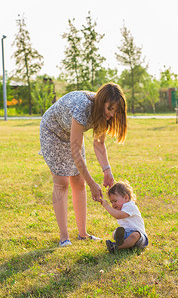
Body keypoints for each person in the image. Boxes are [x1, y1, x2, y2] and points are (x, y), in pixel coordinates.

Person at [39, 83, 128, 247]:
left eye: (116, 111)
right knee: (62, 182)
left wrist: (106, 171)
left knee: (78, 181)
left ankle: (82, 234)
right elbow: (76, 152)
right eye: (110, 109)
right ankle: (64, 238)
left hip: (72, 133)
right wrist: (92, 183)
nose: (112, 114)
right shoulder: (83, 107)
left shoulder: (104, 114)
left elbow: (99, 144)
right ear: (102, 102)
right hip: (52, 132)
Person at [100, 181, 148, 253]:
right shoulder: (121, 208)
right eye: (111, 202)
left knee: (135, 235)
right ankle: (123, 243)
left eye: (115, 201)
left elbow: (118, 216)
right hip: (126, 233)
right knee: (115, 232)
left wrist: (106, 206)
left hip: (140, 238)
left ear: (126, 198)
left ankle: (116, 247)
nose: (113, 204)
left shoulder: (130, 206)